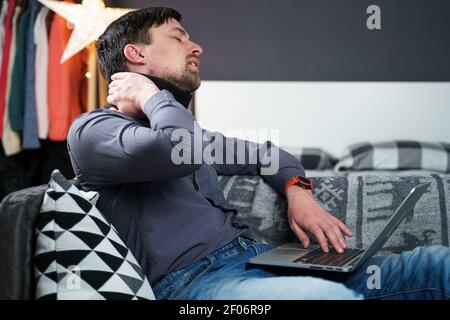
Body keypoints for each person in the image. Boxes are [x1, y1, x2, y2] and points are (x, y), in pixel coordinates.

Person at [67, 7, 450, 300]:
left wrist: (299, 191)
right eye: (179, 38)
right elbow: (173, 148)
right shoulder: (93, 132)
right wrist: (152, 95)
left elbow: (269, 153)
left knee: (433, 264)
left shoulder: (195, 138)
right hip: (196, 286)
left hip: (259, 259)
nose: (196, 46)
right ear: (136, 54)